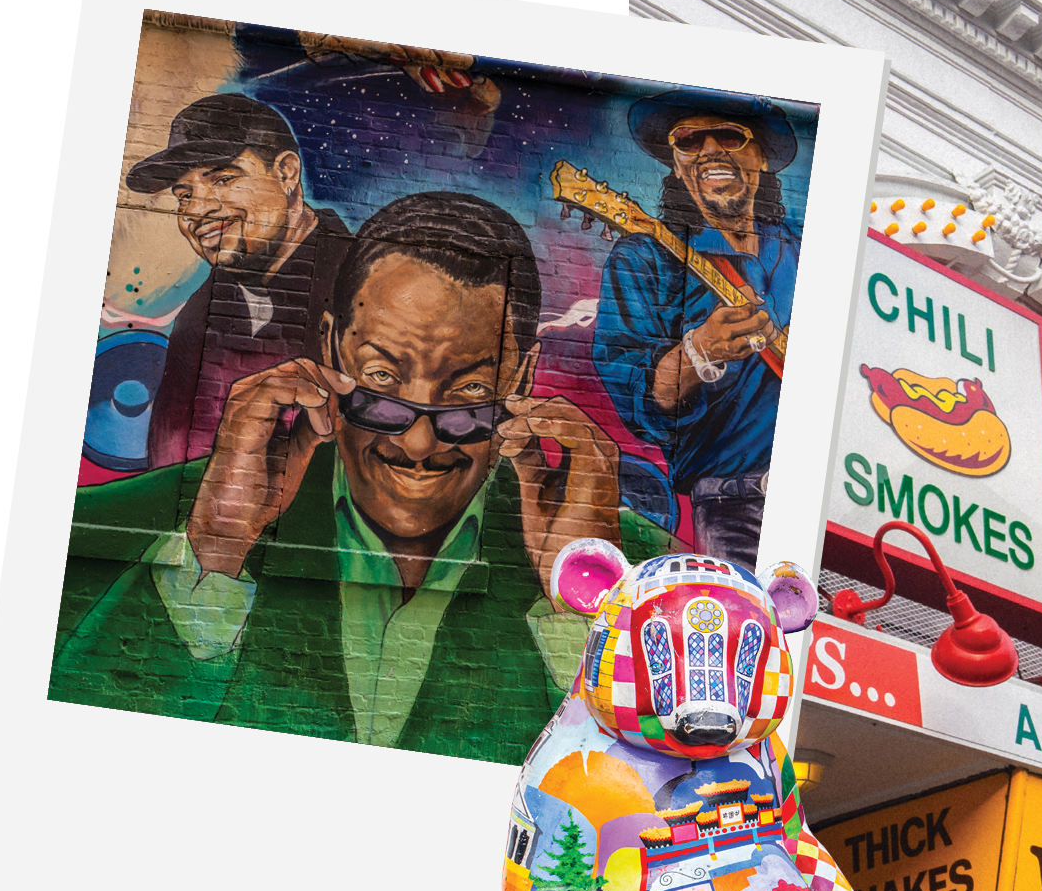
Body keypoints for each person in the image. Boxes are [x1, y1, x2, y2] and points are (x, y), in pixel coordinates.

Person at [52, 192, 672, 762]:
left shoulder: (656, 589)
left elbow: (668, 829)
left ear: (524, 380)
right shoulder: (93, 528)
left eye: (470, 394)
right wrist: (213, 557)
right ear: (330, 349)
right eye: (380, 383)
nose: (419, 441)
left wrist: (590, 608)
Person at [592, 90, 803, 566]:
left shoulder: (810, 253)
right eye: (688, 140)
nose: (708, 151)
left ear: (762, 158)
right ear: (676, 163)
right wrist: (700, 351)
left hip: (831, 507)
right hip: (734, 506)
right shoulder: (646, 259)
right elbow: (636, 394)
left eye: (728, 135)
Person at [124, 94, 353, 469]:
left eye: (224, 179)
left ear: (286, 173)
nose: (196, 212)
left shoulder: (368, 288)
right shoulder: (198, 321)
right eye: (184, 197)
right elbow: (167, 467)